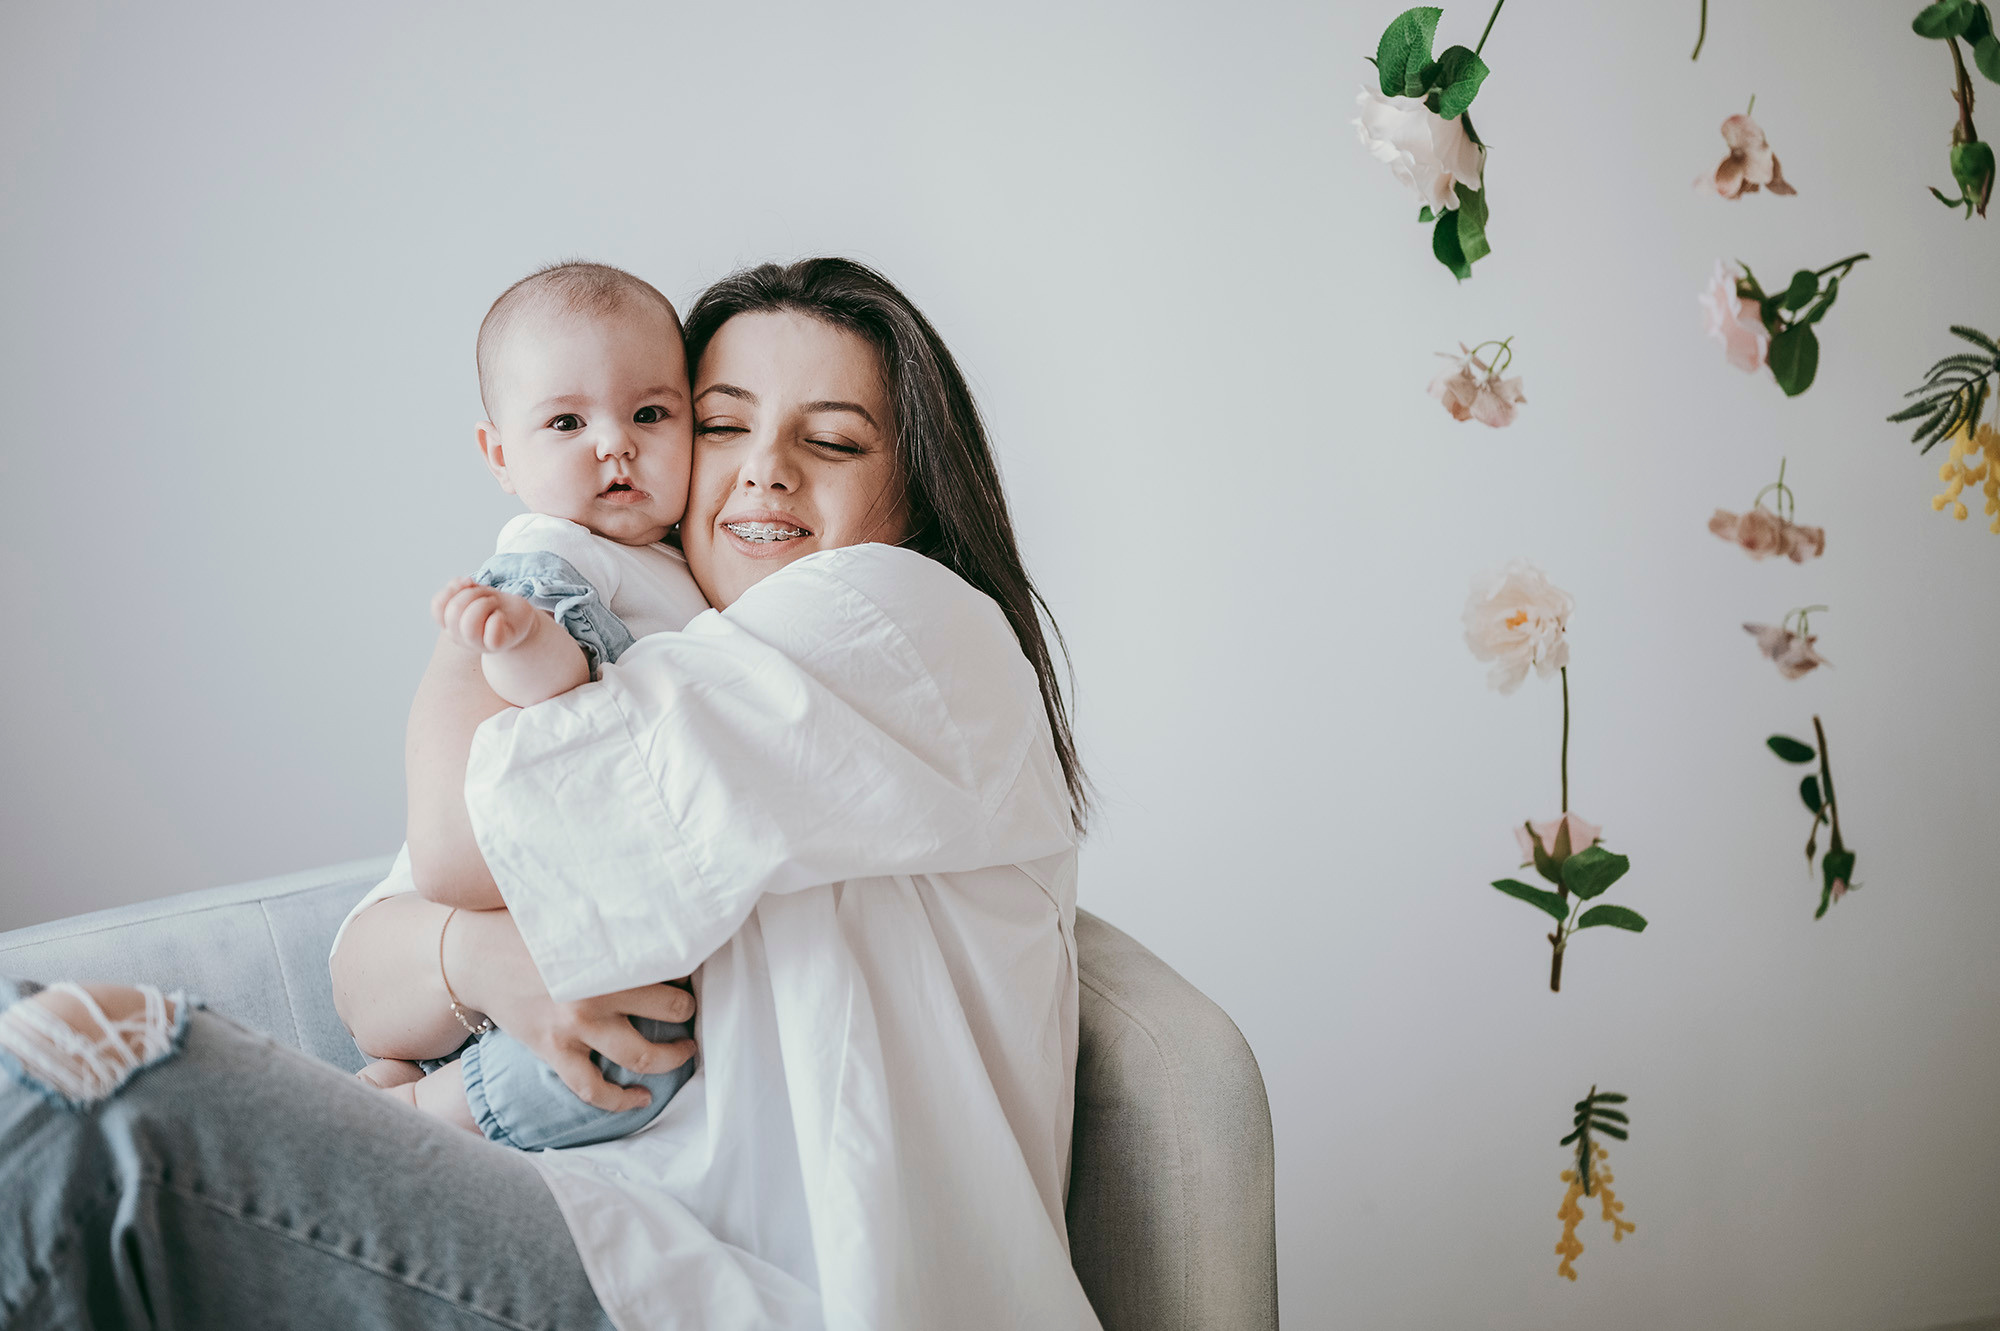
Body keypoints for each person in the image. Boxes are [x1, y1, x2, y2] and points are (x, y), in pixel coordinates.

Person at [0, 257, 1103, 1331]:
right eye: (722, 425)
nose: (764, 468)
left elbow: (460, 850)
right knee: (63, 1067)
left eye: (829, 439)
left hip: (735, 1287)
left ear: (914, 484)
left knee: (89, 1089)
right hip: (571, 1219)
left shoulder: (902, 619)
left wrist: (484, 616)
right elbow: (367, 975)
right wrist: (484, 962)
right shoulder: (653, 647)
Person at [352, 260, 707, 1149]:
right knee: (638, 1042)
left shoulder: (677, 567)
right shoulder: (555, 557)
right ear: (501, 457)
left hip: (551, 916)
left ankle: (416, 1076)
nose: (614, 444)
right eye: (566, 422)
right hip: (494, 908)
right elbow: (554, 702)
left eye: (651, 414)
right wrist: (526, 644)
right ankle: (429, 1108)